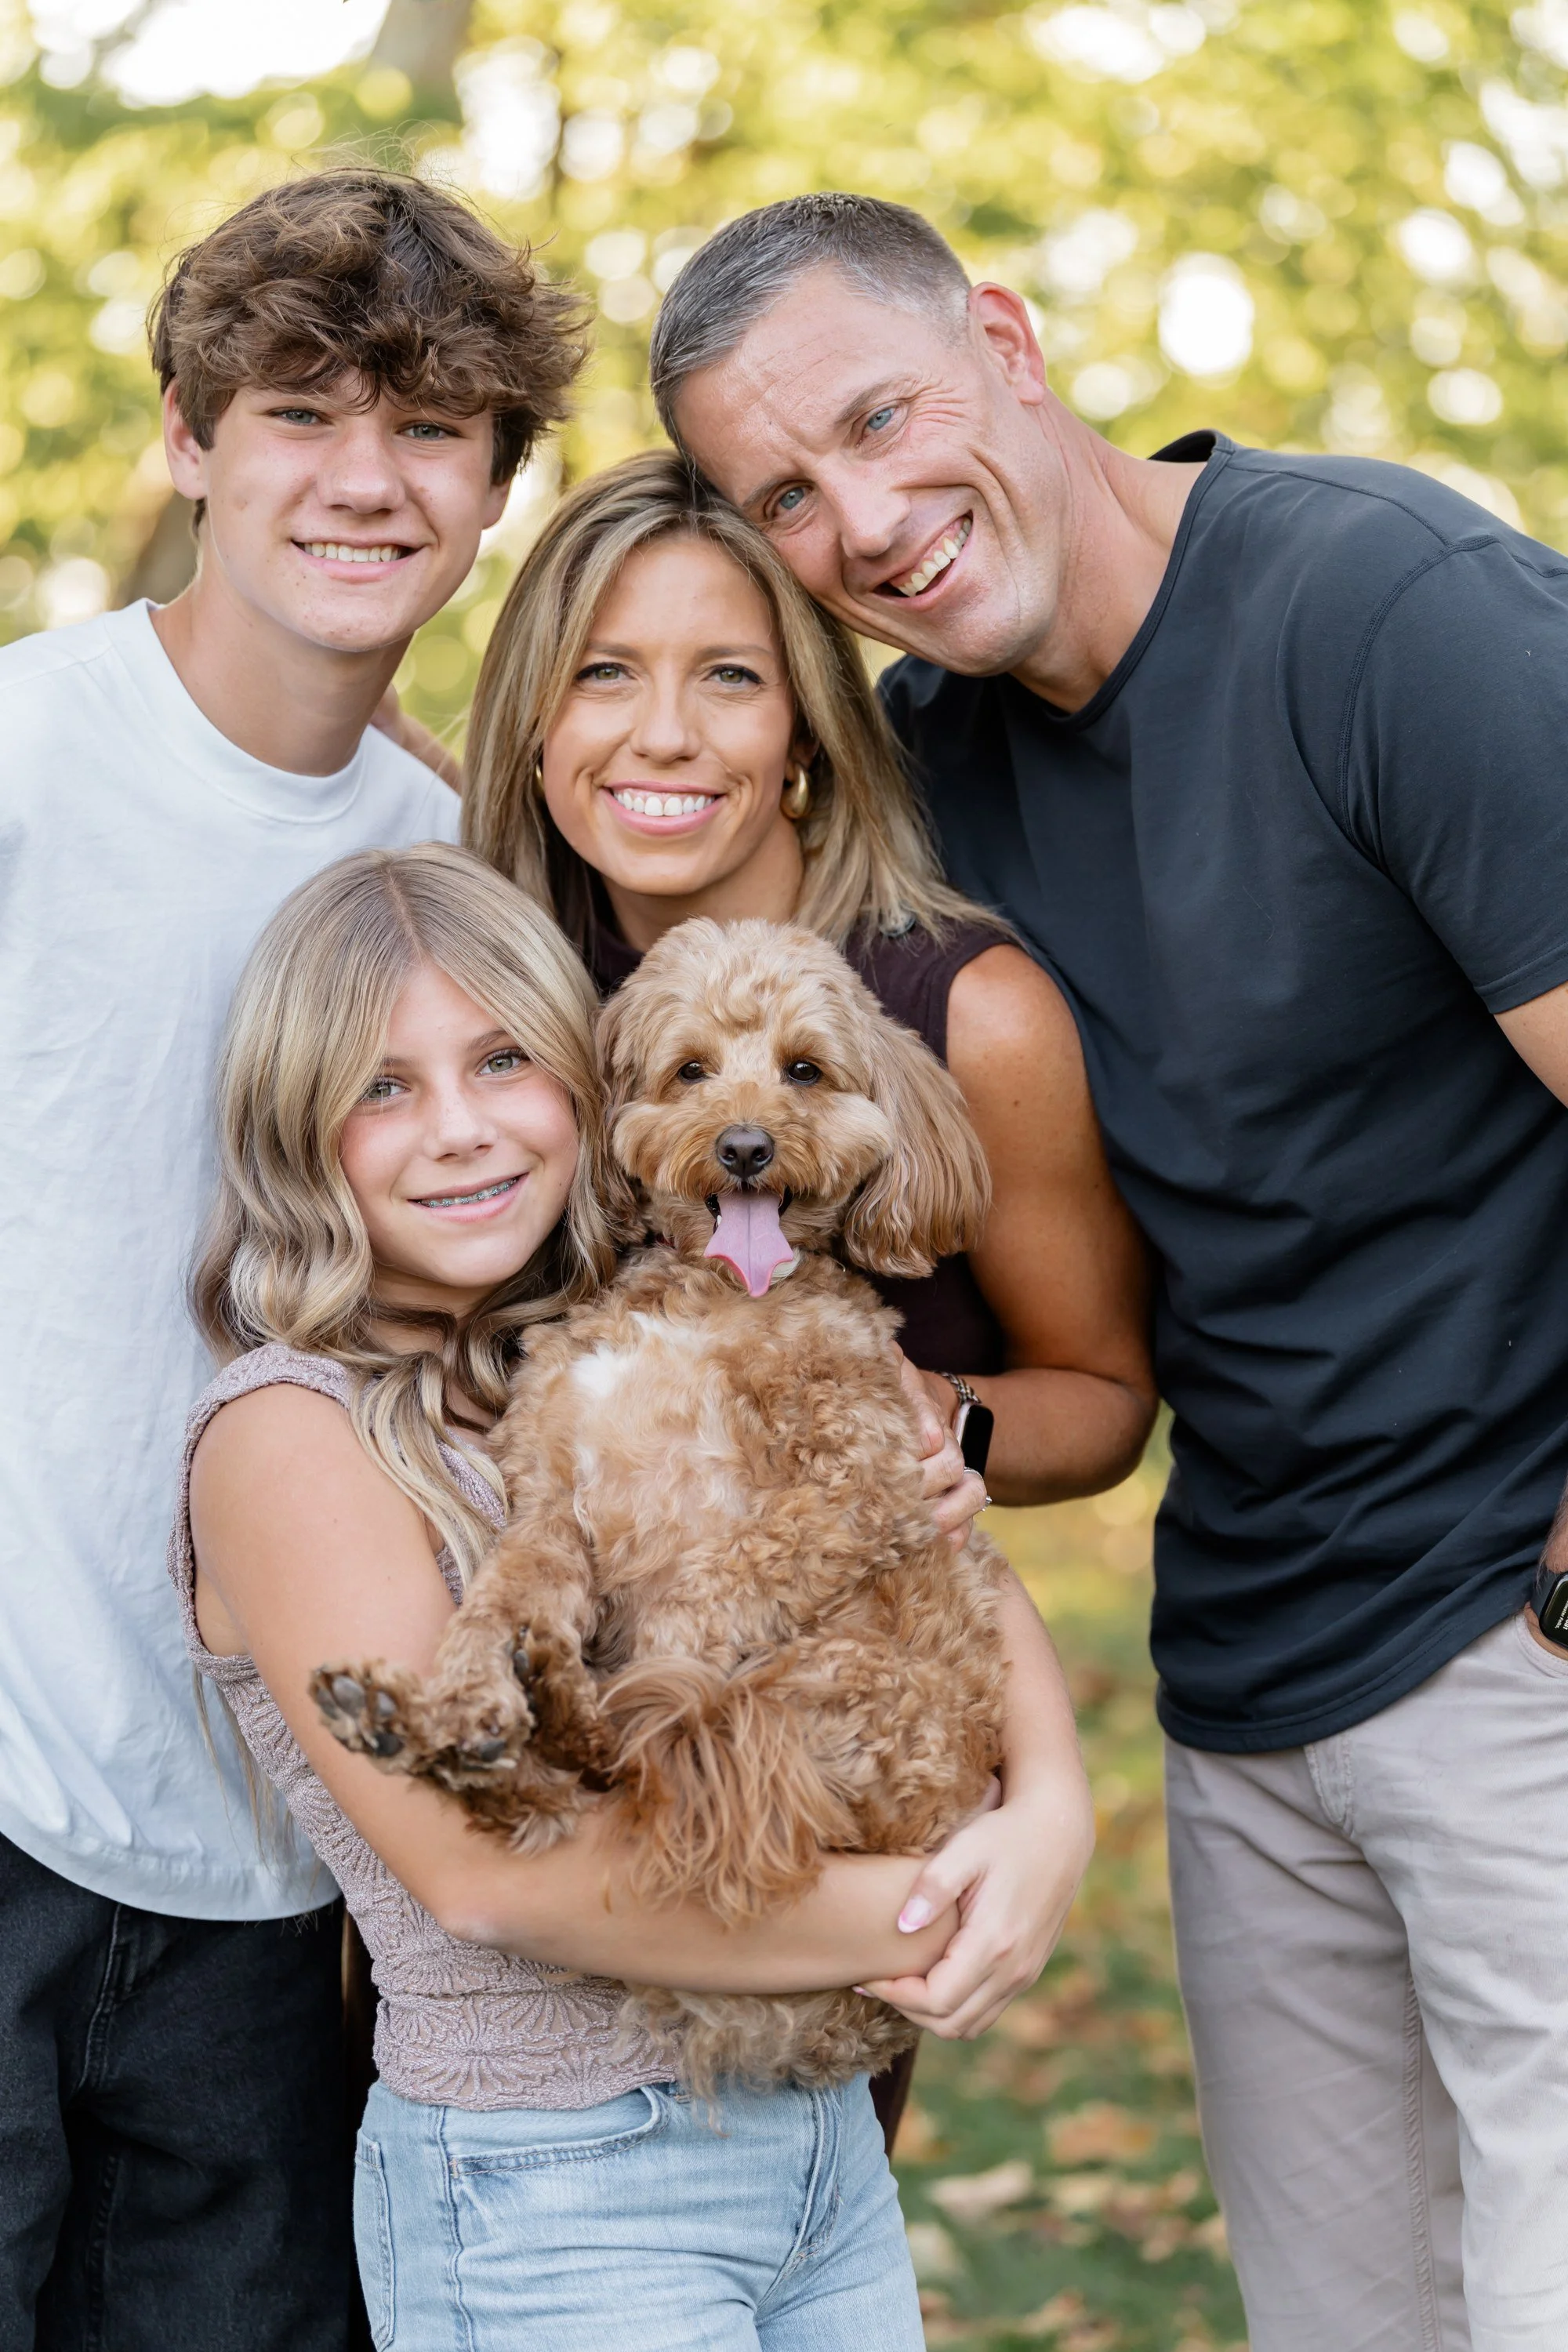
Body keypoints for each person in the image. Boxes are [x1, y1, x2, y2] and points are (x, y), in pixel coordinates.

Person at [648, 191, 1568, 2350]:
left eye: (884, 418)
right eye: (791, 494)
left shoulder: (1385, 613)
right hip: (1251, 1692)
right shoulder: (939, 766)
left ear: (1006, 337)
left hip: (1519, 1653)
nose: (864, 517)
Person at [177, 840, 1083, 2351]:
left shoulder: (661, 1328)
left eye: (503, 1059)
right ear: (298, 1131)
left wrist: (1052, 1807)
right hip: (558, 2187)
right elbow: (493, 1878)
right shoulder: (290, 1436)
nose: (459, 1130)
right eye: (382, 1086)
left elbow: (937, 1553)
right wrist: (931, 1915)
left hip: (811, 2153)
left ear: (582, 1095)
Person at [0, 168, 583, 2350]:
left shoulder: (444, 878)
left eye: (430, 431)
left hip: (286, 1854)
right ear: (187, 435)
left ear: (494, 485)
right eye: (301, 413)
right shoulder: (29, 758)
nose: (364, 479)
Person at [459, 447, 1152, 2138]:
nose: (666, 734)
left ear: (805, 730)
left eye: (731, 677)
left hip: (810, 1808)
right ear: (533, 724)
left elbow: (1103, 1395)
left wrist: (941, 1424)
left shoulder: (959, 1015)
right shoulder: (497, 994)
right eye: (602, 675)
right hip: (511, 1788)